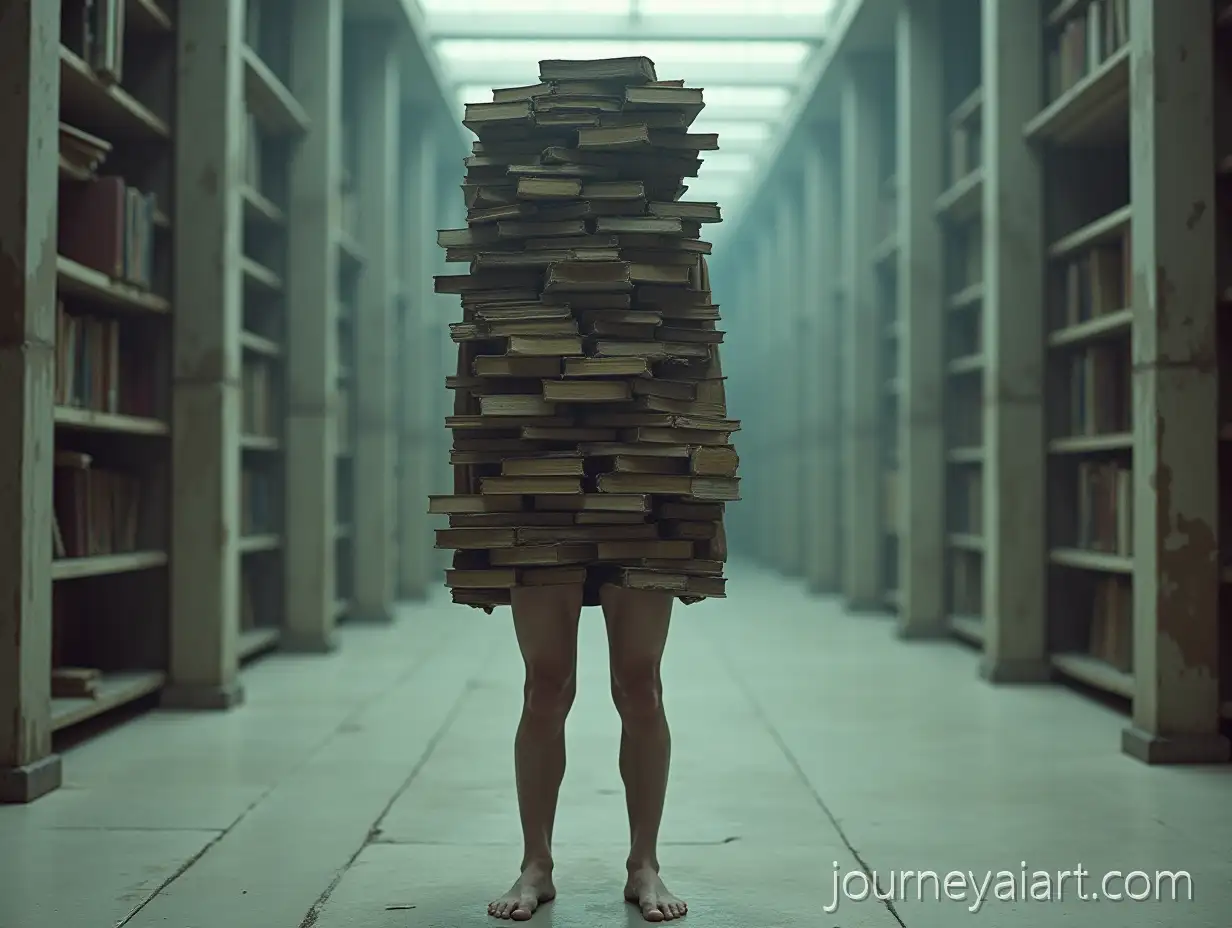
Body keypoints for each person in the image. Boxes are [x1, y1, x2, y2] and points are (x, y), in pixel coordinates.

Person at [486, 583, 687, 922]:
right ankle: (536, 862)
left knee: (642, 688)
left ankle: (644, 863)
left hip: (640, 528)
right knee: (544, 688)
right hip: (545, 528)